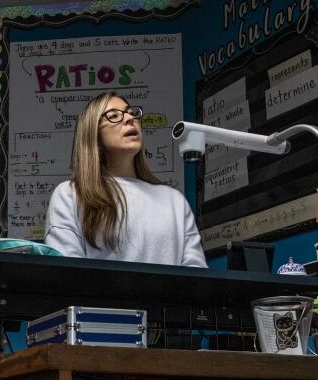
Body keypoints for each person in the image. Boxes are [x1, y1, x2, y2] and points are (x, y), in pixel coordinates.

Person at [44, 92, 207, 267]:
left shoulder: (174, 201)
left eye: (131, 112)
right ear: (94, 135)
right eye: (114, 116)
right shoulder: (70, 195)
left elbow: (196, 277)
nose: (129, 118)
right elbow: (66, 277)